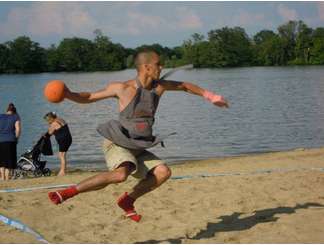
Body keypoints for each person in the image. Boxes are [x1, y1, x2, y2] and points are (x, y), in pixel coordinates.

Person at [48, 50, 229, 222]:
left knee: (163, 172)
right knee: (120, 175)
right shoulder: (122, 88)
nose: (162, 68)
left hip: (138, 146)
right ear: (146, 67)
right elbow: (89, 97)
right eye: (158, 65)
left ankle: (128, 200)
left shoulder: (159, 88)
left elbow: (185, 86)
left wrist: (211, 96)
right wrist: (68, 94)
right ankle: (67, 192)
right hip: (117, 143)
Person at [44, 112, 72, 176]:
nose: (47, 122)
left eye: (47, 120)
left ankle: (62, 172)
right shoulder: (61, 119)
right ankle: (63, 170)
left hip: (63, 140)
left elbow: (49, 134)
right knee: (63, 154)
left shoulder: (53, 124)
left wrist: (44, 135)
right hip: (68, 139)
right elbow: (60, 130)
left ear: (50, 118)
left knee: (61, 155)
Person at [0, 103, 21, 181]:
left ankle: (2, 177)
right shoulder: (16, 117)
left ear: (7, 110)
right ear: (14, 111)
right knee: (9, 161)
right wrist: (17, 138)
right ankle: (7, 178)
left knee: (1, 161)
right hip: (10, 141)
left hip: (0, 141)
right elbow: (18, 129)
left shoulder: (0, 116)